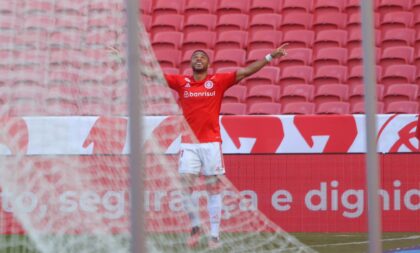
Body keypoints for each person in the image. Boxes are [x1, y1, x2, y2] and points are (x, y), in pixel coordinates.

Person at [164, 44, 289, 249]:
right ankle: (195, 227)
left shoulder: (218, 82)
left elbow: (247, 71)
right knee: (185, 187)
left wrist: (270, 56)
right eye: (195, 56)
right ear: (190, 63)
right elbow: (152, 74)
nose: (198, 58)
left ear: (208, 64)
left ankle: (214, 235)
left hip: (211, 144)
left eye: (202, 56)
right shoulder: (181, 83)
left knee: (213, 188)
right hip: (188, 144)